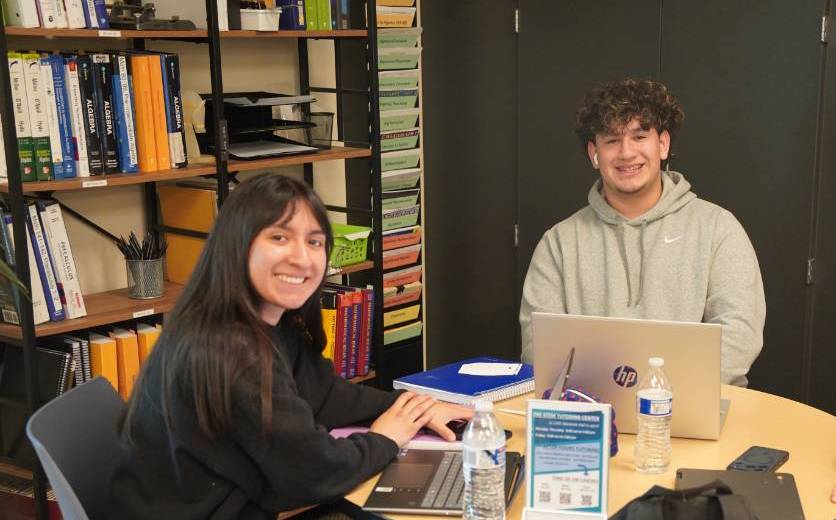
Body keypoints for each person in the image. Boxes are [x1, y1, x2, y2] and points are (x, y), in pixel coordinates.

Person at [108, 174, 472, 519]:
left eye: (314, 242)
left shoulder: (263, 322)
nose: (301, 257)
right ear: (238, 244)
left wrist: (416, 408)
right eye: (279, 237)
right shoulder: (229, 349)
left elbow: (327, 395)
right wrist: (385, 438)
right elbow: (312, 471)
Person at [519, 79, 766, 387]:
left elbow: (739, 335)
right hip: (592, 414)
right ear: (594, 153)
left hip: (695, 412)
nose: (626, 153)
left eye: (639, 136)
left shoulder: (718, 228)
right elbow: (539, 345)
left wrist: (661, 398)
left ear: (662, 144)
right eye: (611, 140)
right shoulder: (558, 243)